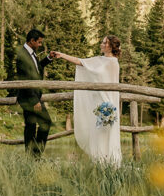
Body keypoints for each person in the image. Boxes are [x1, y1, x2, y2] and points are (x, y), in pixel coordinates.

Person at [50, 35, 122, 166]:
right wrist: (62, 55)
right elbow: (80, 62)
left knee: (107, 135)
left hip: (108, 106)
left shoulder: (114, 63)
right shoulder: (99, 60)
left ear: (110, 46)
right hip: (97, 106)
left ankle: (111, 165)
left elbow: (113, 86)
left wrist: (111, 107)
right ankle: (98, 164)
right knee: (97, 135)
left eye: (104, 42)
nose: (101, 44)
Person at [14, 29, 52, 157]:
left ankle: (33, 156)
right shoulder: (22, 55)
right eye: (39, 42)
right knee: (41, 123)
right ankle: (33, 156)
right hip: (29, 98)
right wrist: (34, 100)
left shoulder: (31, 53)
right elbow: (25, 79)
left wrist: (48, 58)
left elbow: (37, 69)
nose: (40, 45)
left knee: (33, 125)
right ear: (32, 41)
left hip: (34, 96)